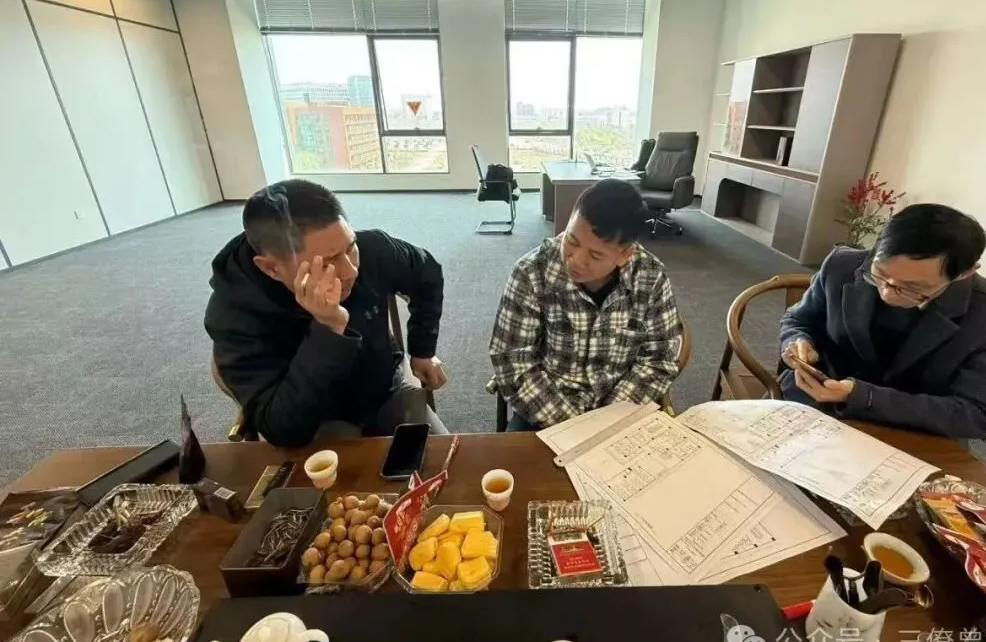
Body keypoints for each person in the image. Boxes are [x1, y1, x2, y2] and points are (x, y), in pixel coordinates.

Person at [204, 179, 448, 447]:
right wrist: (328, 329)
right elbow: (282, 428)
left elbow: (426, 272)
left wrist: (423, 349)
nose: (350, 271)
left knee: (446, 458)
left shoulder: (373, 249)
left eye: (350, 247)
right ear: (271, 268)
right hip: (316, 420)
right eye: (327, 262)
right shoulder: (235, 319)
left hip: (385, 388)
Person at [779, 203, 986, 440]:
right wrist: (798, 341)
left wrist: (864, 396)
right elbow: (799, 319)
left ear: (965, 273)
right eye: (880, 275)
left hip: (911, 433)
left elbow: (979, 414)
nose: (888, 293)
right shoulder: (841, 265)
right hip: (816, 405)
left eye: (913, 288)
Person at [490, 179, 683, 431]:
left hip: (620, 409)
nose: (576, 260)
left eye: (595, 254)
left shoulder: (650, 276)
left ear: (626, 255)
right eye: (572, 240)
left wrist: (606, 422)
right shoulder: (531, 272)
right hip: (545, 409)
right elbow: (514, 362)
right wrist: (576, 428)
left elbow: (658, 360)